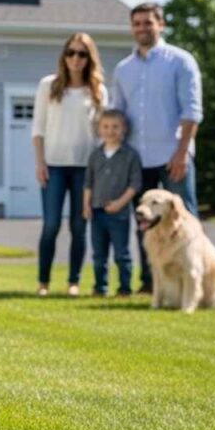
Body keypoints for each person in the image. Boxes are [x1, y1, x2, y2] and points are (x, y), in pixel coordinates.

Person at [110, 2, 203, 294]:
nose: (142, 28)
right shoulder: (123, 69)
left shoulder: (180, 61)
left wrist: (181, 153)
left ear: (160, 24)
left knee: (185, 220)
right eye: (136, 23)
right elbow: (117, 115)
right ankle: (151, 283)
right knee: (145, 223)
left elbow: (192, 112)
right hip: (138, 159)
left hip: (172, 157)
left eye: (147, 23)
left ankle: (193, 282)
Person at [31, 33, 108, 297]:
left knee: (79, 227)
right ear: (64, 56)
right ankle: (43, 282)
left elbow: (102, 136)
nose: (76, 59)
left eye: (82, 54)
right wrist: (40, 163)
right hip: (53, 167)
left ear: (90, 59)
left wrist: (98, 174)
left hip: (85, 171)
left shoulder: (98, 91)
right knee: (51, 225)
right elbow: (38, 129)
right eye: (71, 53)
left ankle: (73, 281)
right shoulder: (48, 86)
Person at [84, 110, 142, 297]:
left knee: (121, 253)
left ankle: (125, 288)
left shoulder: (130, 155)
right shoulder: (95, 155)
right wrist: (86, 205)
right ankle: (100, 287)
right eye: (106, 127)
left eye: (115, 127)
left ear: (124, 129)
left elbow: (135, 184)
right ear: (99, 129)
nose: (110, 131)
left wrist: (120, 203)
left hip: (120, 213)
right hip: (97, 211)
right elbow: (88, 183)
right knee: (99, 254)